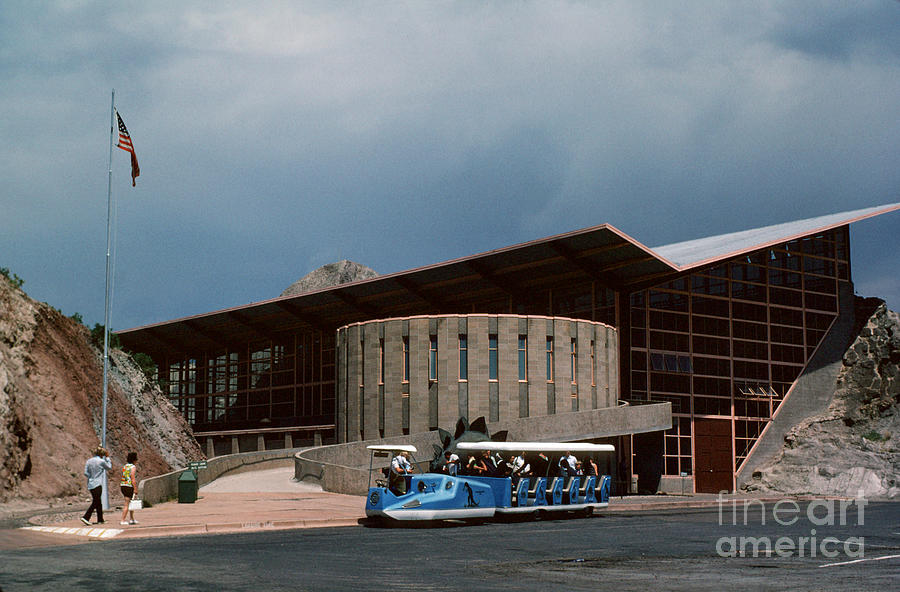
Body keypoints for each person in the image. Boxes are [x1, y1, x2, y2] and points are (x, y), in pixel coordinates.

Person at [81, 446, 112, 525]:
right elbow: (109, 467)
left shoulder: (89, 461)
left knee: (98, 501)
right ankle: (86, 517)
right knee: (95, 501)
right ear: (102, 454)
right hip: (98, 483)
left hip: (91, 483)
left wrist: (91, 477)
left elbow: (86, 473)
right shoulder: (101, 461)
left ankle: (100, 519)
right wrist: (108, 458)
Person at [120, 452, 139, 525]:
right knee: (127, 504)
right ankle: (122, 520)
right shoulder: (133, 467)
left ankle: (132, 519)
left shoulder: (125, 466)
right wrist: (135, 489)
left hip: (123, 485)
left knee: (131, 503)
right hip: (129, 486)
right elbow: (133, 478)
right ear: (134, 460)